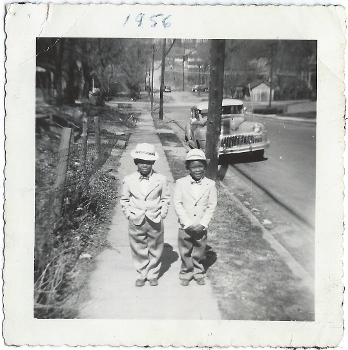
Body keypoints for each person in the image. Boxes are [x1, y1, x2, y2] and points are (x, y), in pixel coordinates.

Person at [120, 143, 171, 287]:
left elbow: (166, 198)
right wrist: (129, 214)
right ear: (136, 162)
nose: (145, 165)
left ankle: (153, 274)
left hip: (155, 218)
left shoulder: (161, 179)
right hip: (136, 219)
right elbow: (124, 200)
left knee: (155, 247)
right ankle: (142, 273)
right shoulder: (129, 179)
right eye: (141, 161)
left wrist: (162, 214)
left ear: (153, 162)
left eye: (148, 162)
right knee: (138, 247)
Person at [174, 149, 217, 286]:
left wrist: (203, 223)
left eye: (200, 166)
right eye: (193, 167)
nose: (197, 170)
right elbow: (177, 203)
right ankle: (186, 272)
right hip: (185, 226)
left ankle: (198, 272)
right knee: (185, 250)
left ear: (205, 166)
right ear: (188, 168)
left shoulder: (210, 184)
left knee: (199, 249)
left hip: (200, 225)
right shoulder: (181, 183)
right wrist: (186, 222)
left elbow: (211, 206)